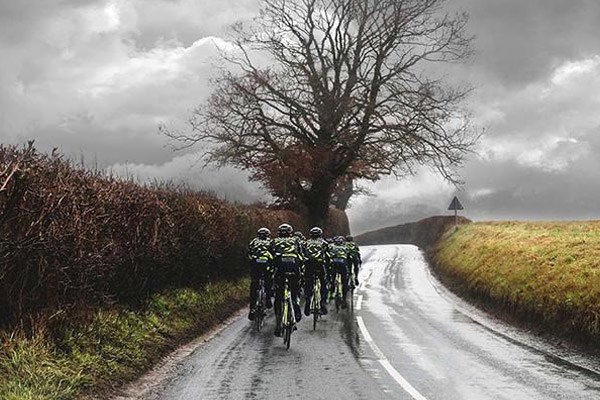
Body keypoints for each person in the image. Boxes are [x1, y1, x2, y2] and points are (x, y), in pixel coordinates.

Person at [270, 223, 304, 336]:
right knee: (294, 291)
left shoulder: (274, 241)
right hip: (294, 270)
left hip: (280, 271)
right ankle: (296, 304)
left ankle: (278, 323)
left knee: (278, 297)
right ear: (291, 233)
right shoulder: (296, 241)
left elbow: (271, 256)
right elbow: (301, 256)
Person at [247, 227, 274, 321]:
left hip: (256, 267)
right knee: (268, 281)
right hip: (266, 267)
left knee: (254, 286)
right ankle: (268, 299)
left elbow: (249, 254)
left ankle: (252, 308)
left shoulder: (253, 242)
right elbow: (274, 255)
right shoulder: (271, 242)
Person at [302, 227, 329, 316]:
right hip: (320, 265)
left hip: (309, 265)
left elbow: (303, 254)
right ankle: (323, 304)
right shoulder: (324, 243)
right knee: (324, 284)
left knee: (308, 283)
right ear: (320, 234)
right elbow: (328, 256)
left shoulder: (306, 243)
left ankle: (308, 301)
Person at [327, 236, 350, 308]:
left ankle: (332, 291)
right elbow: (348, 258)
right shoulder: (345, 248)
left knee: (332, 278)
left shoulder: (332, 248)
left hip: (334, 264)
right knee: (344, 282)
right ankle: (344, 300)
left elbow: (328, 256)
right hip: (343, 265)